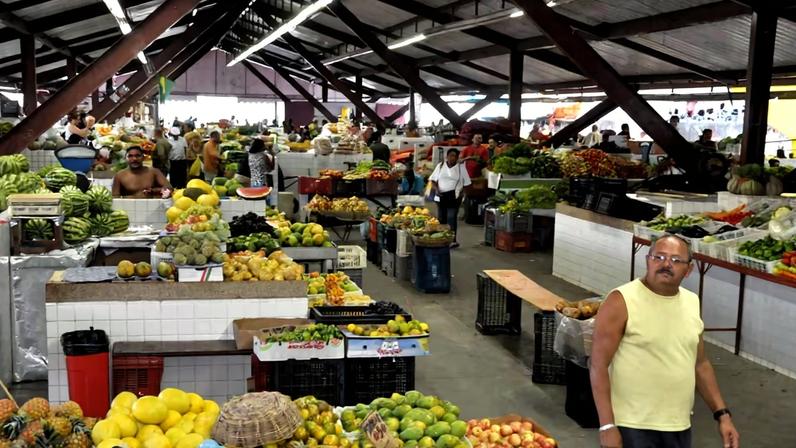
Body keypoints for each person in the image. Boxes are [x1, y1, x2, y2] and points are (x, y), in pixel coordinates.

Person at [590, 235, 739, 448]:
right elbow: (598, 365)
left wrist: (723, 415)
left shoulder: (691, 302)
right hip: (632, 427)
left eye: (676, 260)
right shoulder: (621, 300)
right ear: (647, 260)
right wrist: (607, 426)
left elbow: (700, 364)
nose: (666, 264)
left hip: (678, 426)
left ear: (688, 270)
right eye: (658, 257)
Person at [429, 148, 471, 248]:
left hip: (454, 196)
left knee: (451, 218)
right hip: (441, 195)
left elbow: (467, 183)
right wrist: (437, 190)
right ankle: (441, 238)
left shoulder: (461, 168)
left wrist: (462, 194)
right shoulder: (440, 166)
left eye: (455, 156)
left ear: (457, 158)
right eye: (451, 155)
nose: (453, 158)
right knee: (441, 217)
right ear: (447, 156)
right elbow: (433, 180)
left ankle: (452, 240)